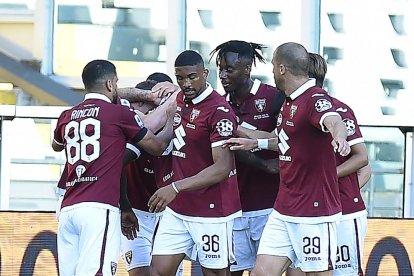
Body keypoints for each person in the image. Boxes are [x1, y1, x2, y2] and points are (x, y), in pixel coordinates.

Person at [224, 42, 351, 276]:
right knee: (260, 273)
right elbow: (284, 138)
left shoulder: (314, 98)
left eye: (273, 65)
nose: (271, 71)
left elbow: (334, 120)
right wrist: (256, 143)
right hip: (284, 208)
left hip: (314, 212)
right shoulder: (288, 101)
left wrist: (340, 137)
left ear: (282, 68)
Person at [51, 59, 173, 276]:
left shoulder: (67, 116)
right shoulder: (119, 115)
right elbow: (157, 146)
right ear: (110, 84)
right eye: (115, 83)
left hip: (68, 207)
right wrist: (172, 117)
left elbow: (56, 144)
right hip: (98, 207)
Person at [147, 50, 242, 276]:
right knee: (158, 271)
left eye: (192, 77)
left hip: (212, 211)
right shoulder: (180, 98)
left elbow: (222, 168)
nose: (186, 83)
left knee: (214, 273)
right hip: (178, 207)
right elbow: (165, 140)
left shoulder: (219, 111)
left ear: (205, 74)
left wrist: (175, 187)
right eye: (180, 78)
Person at [209, 40, 284, 275]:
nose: (222, 75)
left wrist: (264, 162)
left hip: (269, 209)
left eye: (229, 69)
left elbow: (287, 141)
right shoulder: (218, 105)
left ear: (247, 69)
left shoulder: (274, 97)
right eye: (220, 68)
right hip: (233, 210)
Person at [309, 53, 370, 276]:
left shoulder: (339, 111)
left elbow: (363, 160)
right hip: (309, 212)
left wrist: (328, 179)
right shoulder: (290, 111)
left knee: (345, 273)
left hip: (345, 212)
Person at [120, 79, 181, 276]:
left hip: (171, 215)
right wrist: (124, 206)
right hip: (137, 214)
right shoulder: (132, 124)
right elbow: (109, 93)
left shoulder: (185, 121)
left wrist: (177, 93)